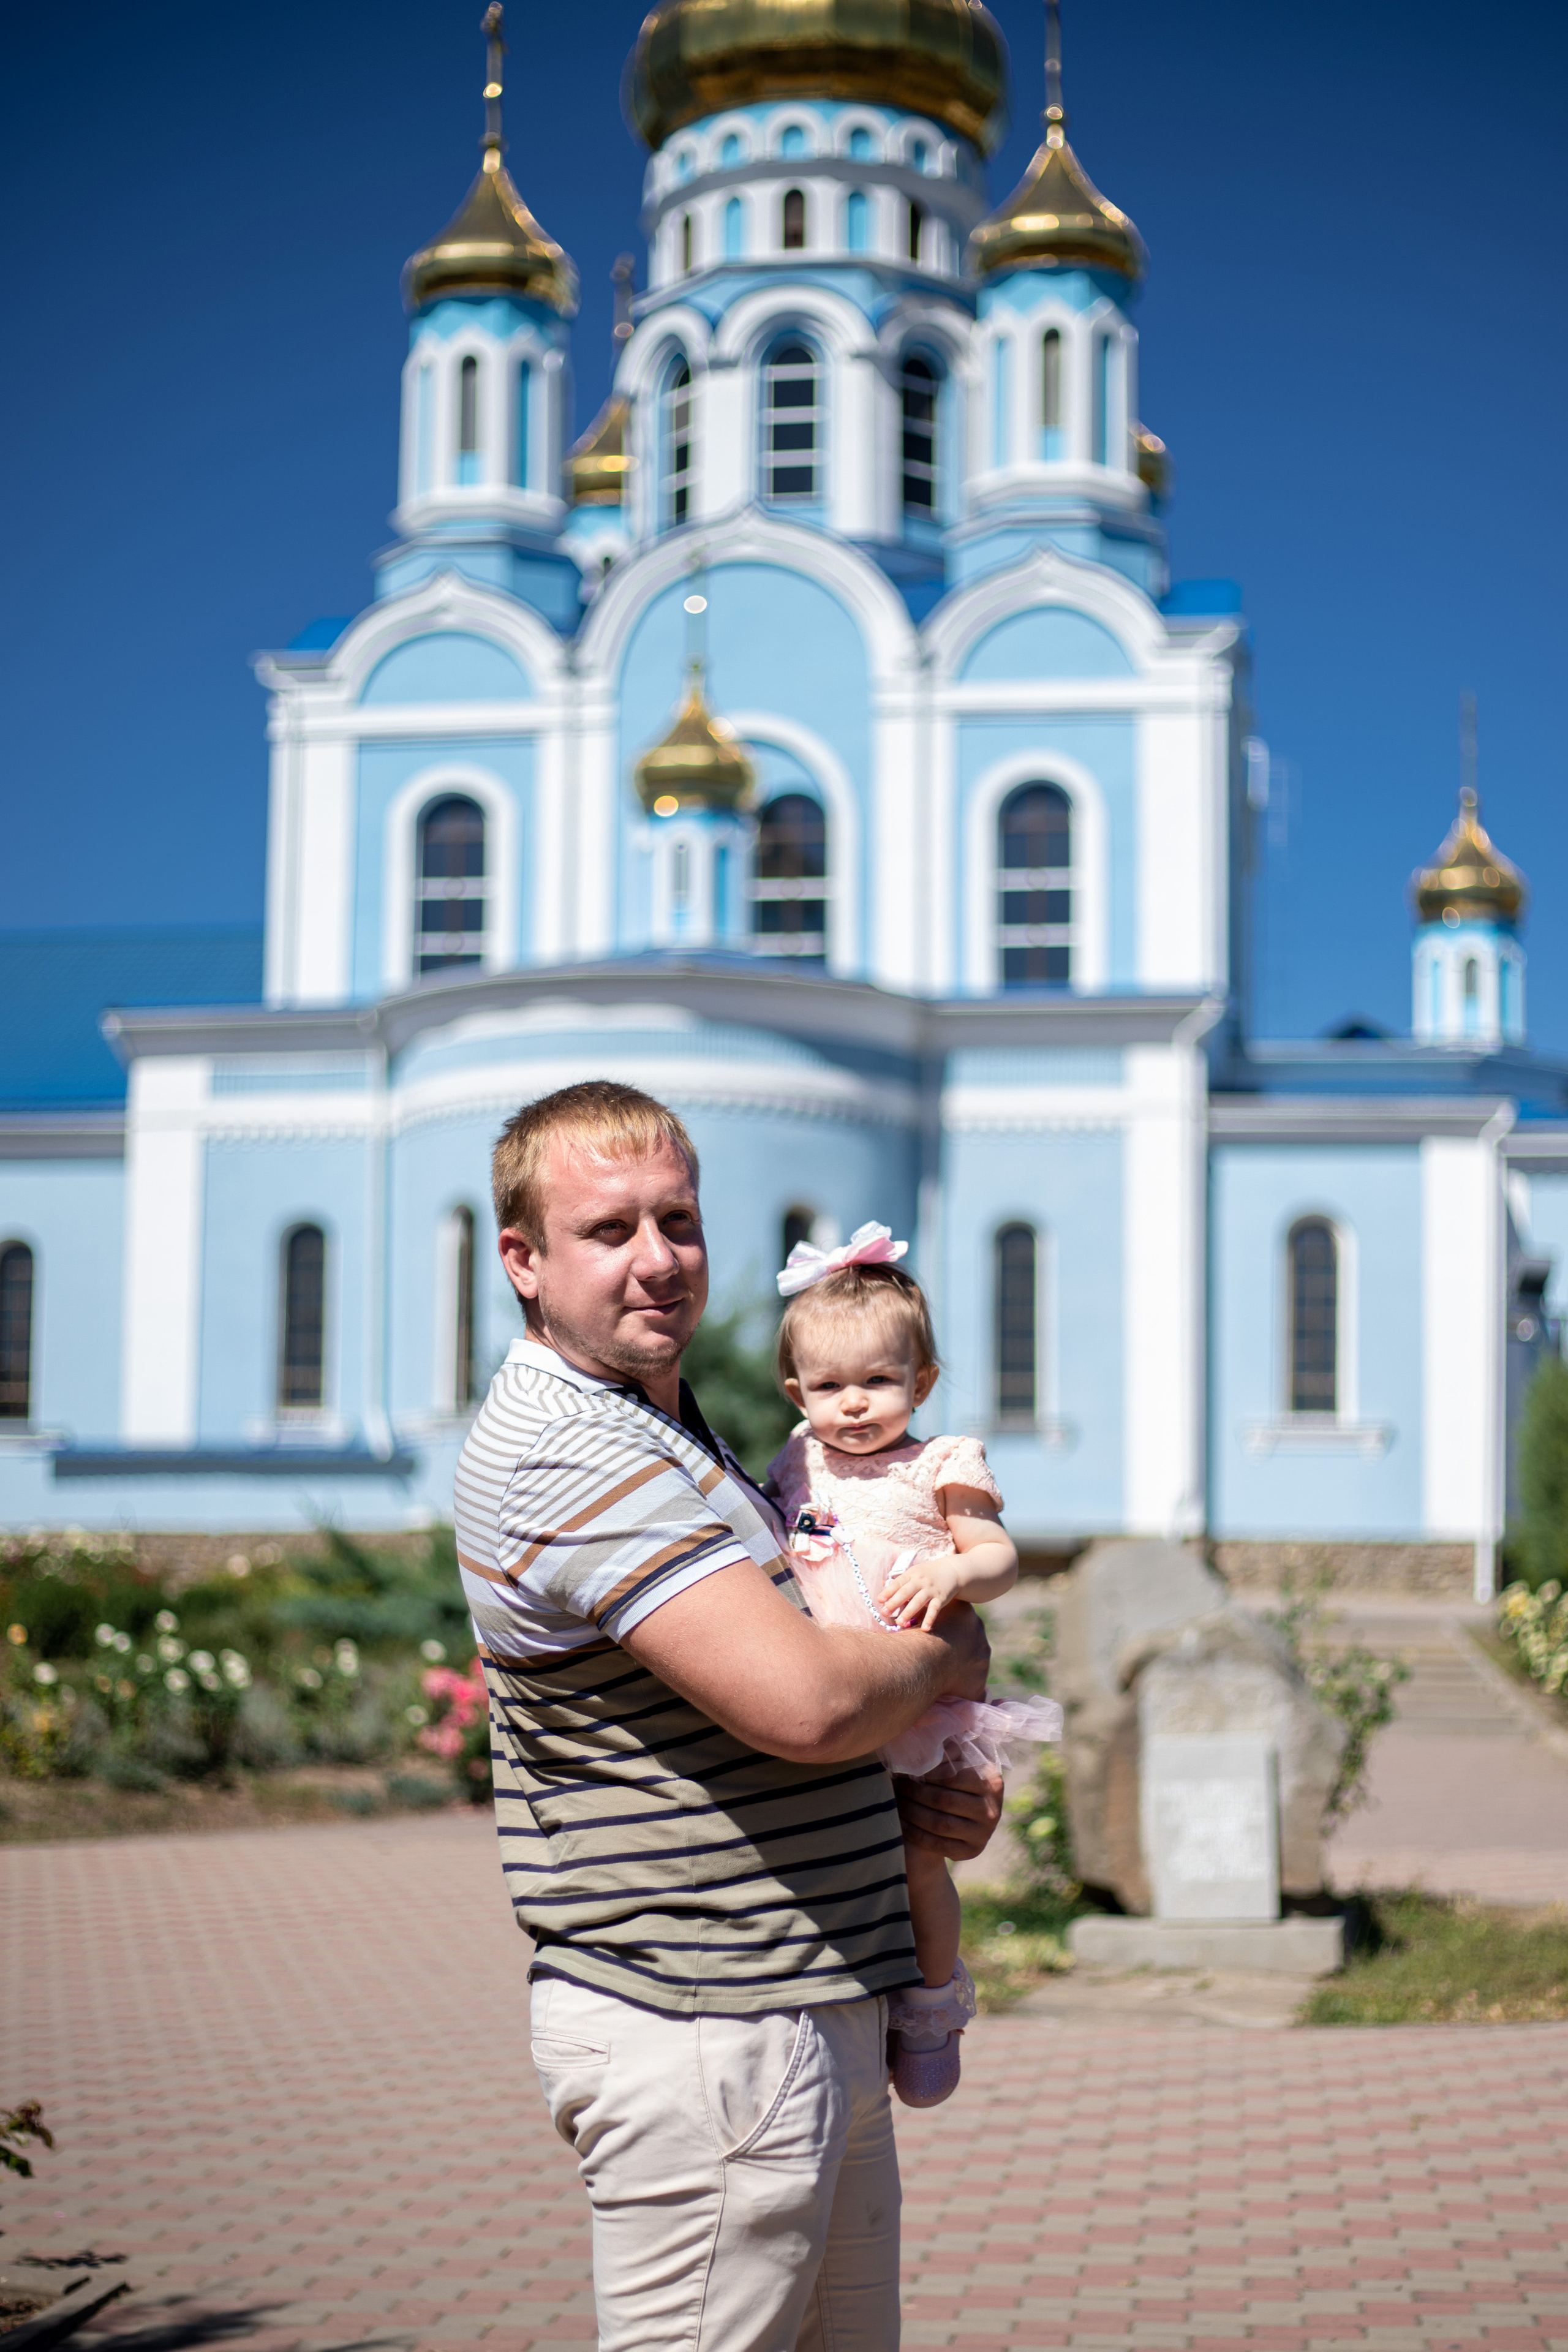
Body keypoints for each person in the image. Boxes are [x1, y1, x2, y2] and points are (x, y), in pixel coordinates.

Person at [453, 1079, 1003, 2352]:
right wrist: (947, 1657)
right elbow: (806, 1702)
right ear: (522, 1260)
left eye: (680, 1221)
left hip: (805, 2007)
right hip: (704, 2030)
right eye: (609, 1232)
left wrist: (906, 1799)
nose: (658, 1262)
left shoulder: (661, 1422)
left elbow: (806, 1704)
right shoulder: (564, 1448)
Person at [767, 1223, 1061, 2108]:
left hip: (920, 1702)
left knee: (917, 1853)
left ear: (921, 1383)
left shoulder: (940, 1463)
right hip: (828, 1685)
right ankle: (863, 1991)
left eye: (878, 1382)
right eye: (828, 1386)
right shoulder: (800, 1457)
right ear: (797, 1391)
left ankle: (931, 2006)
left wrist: (955, 1569)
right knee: (843, 1849)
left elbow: (1000, 1557)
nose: (853, 1404)